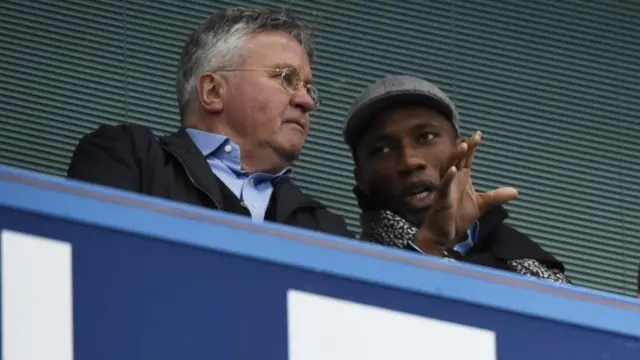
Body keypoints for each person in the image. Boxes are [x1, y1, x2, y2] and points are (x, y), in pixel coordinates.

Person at [67, 7, 351, 237]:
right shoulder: (128, 158)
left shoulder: (326, 227)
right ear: (213, 91)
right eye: (286, 78)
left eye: (308, 87)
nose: (307, 101)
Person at [343, 75, 569, 283]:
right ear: (360, 178)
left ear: (461, 148)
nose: (410, 161)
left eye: (426, 137)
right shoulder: (352, 270)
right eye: (382, 150)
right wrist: (428, 245)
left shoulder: (519, 252)